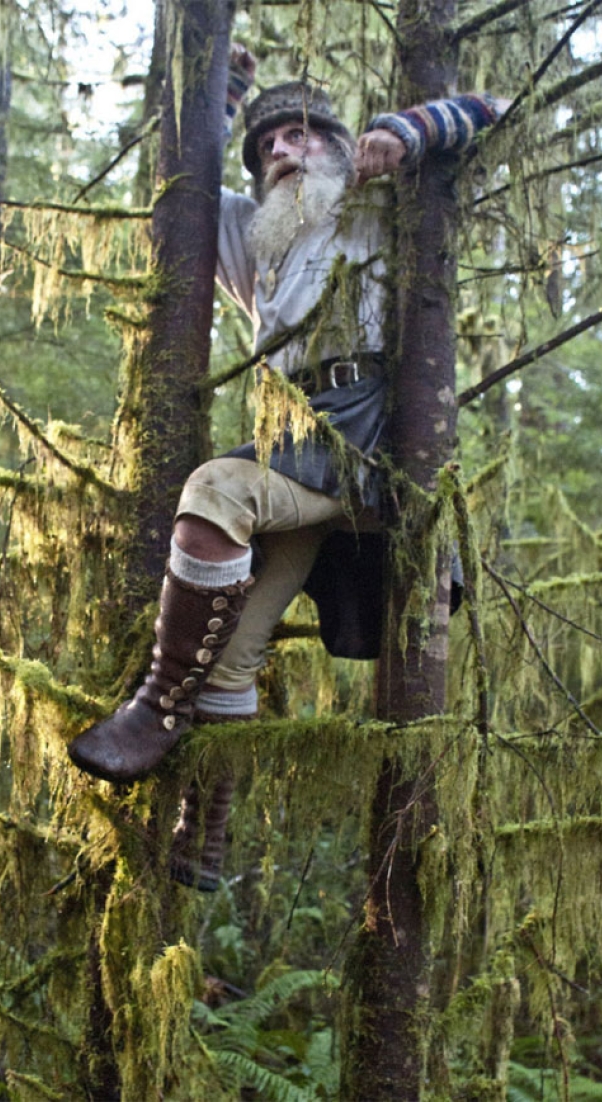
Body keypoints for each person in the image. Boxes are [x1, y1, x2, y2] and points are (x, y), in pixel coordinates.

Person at [69, 48, 505, 889]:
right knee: (231, 656)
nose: (282, 151)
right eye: (268, 142)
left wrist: (403, 131)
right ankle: (209, 832)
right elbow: (172, 184)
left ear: (339, 150)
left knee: (215, 490)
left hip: (368, 435)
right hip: (293, 441)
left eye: (303, 136)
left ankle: (155, 709)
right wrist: (219, 89)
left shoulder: (384, 204)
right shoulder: (253, 233)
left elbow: (490, 111)